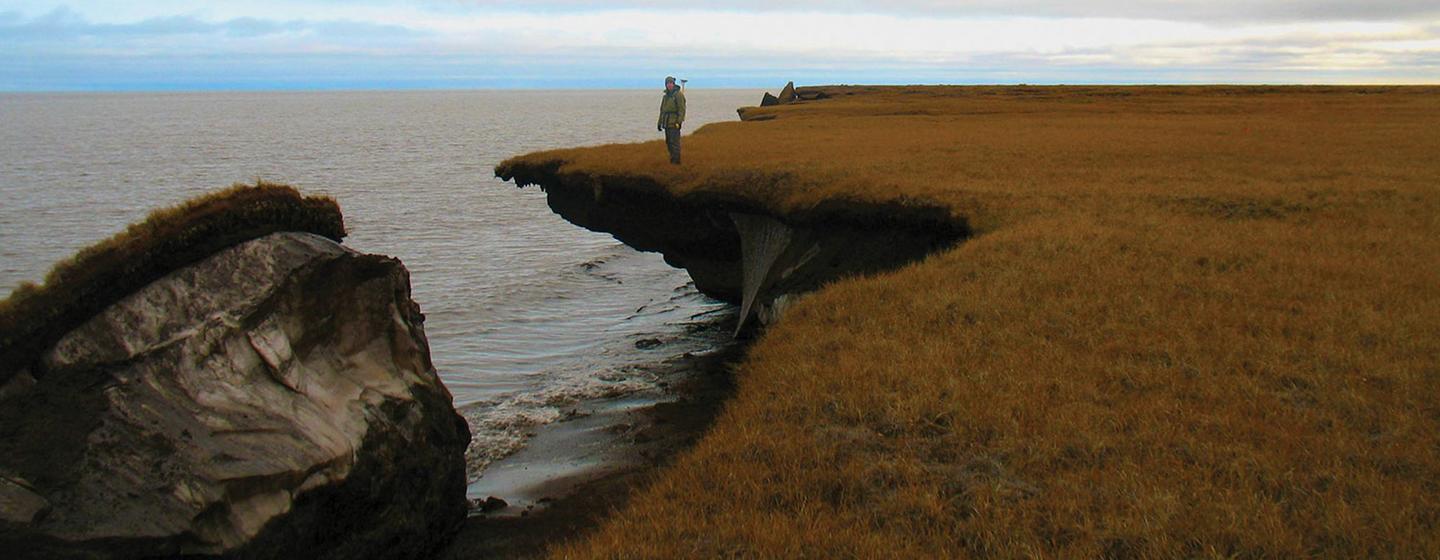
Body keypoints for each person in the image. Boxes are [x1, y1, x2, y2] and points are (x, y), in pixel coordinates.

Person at [657, 76, 686, 165]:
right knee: (669, 143)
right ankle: (672, 160)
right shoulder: (665, 96)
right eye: (667, 83)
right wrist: (659, 123)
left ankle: (676, 163)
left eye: (671, 83)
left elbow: (682, 109)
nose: (669, 85)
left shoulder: (678, 95)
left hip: (674, 123)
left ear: (673, 84)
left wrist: (679, 122)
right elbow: (662, 110)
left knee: (674, 144)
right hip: (666, 123)